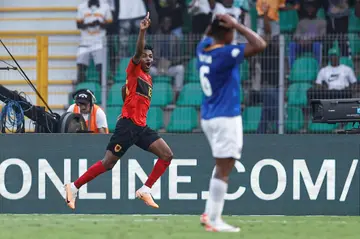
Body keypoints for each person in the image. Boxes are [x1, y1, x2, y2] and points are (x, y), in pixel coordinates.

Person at [64, 12, 173, 210]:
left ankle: (146, 189)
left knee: (167, 155)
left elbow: (127, 93)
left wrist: (127, 97)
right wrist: (142, 31)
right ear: (139, 59)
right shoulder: (134, 70)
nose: (148, 59)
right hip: (128, 125)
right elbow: (138, 54)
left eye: (151, 57)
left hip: (140, 127)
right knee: (108, 163)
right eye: (145, 56)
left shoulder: (149, 79)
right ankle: (73, 186)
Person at [196, 14, 266, 232]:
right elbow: (260, 44)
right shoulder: (224, 54)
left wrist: (219, 22)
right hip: (226, 117)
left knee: (222, 167)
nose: (234, 35)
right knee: (225, 169)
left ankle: (210, 214)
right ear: (226, 33)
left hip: (209, 115)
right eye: (232, 32)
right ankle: (214, 220)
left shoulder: (203, 48)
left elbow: (209, 33)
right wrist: (237, 24)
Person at [76, 0, 113, 84]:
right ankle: (80, 87)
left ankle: (102, 88)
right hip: (84, 42)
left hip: (99, 42)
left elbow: (110, 25)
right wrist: (90, 24)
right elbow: (78, 25)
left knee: (101, 67)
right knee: (81, 66)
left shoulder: (105, 6)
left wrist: (100, 24)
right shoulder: (81, 7)